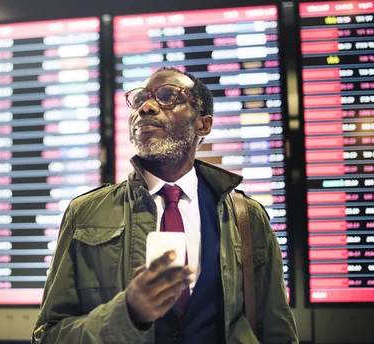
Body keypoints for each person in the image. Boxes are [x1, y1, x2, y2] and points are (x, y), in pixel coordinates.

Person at [32, 68, 298, 343]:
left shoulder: (246, 216)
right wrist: (127, 313)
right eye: (139, 100)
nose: (146, 107)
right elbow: (49, 335)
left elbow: (276, 330)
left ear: (203, 125)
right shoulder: (85, 213)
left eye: (168, 96)